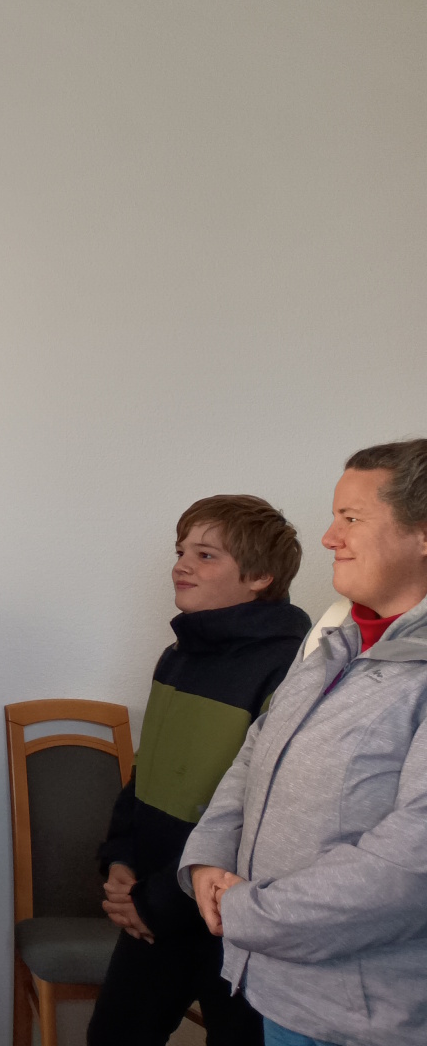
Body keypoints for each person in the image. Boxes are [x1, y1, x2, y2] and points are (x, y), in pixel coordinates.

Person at [180, 440, 427, 1046]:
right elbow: (255, 754)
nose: (329, 537)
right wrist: (208, 857)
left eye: (351, 518)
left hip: (367, 1018)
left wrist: (248, 912)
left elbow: (409, 867)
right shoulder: (334, 638)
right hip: (281, 991)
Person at [88, 495, 309, 1046]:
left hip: (227, 919)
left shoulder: (292, 668)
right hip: (151, 903)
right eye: (181, 551)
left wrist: (158, 901)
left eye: (205, 555)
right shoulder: (177, 655)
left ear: (259, 576)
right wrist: (121, 858)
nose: (181, 565)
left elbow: (261, 811)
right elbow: (148, 772)